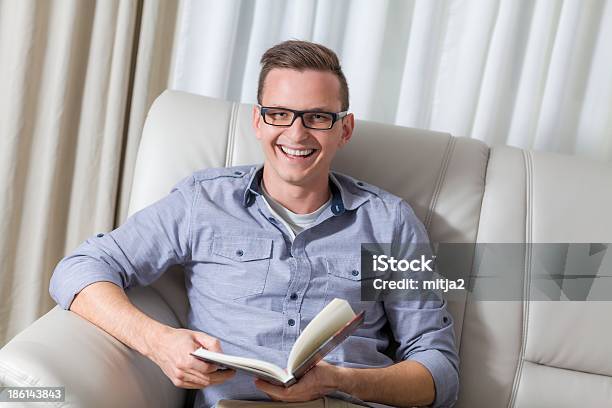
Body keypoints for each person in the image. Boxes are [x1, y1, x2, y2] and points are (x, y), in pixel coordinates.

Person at [49, 40, 459, 408]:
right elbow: (79, 268)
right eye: (280, 114)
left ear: (344, 129)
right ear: (258, 121)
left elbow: (439, 372)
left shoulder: (390, 223)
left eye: (317, 117)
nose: (296, 134)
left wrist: (342, 380)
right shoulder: (202, 201)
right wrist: (158, 342)